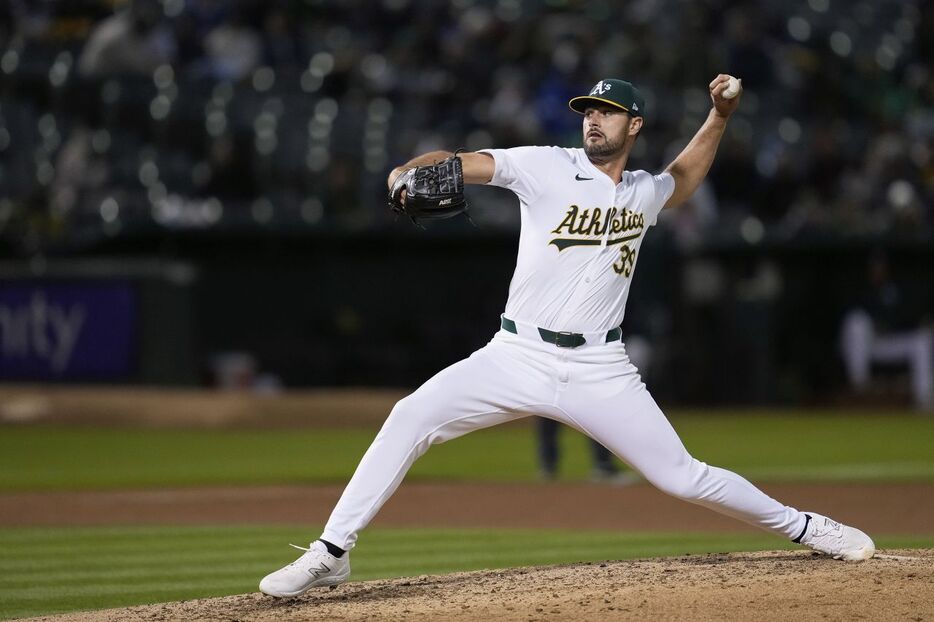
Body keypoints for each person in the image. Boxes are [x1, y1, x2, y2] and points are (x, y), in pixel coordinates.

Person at [259, 75, 875, 598]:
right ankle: (332, 550)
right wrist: (404, 170)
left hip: (601, 368)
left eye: (607, 112)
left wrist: (719, 115)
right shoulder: (544, 165)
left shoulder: (641, 193)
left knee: (683, 477)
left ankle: (805, 526)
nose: (594, 121)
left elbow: (683, 179)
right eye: (588, 111)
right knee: (410, 415)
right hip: (515, 353)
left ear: (633, 125)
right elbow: (464, 162)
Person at [840, 251, 933, 410]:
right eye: (874, 267)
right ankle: (860, 385)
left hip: (887, 343)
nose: (877, 271)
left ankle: (924, 399)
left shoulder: (897, 288)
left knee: (922, 340)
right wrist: (875, 324)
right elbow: (848, 318)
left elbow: (907, 316)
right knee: (857, 323)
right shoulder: (860, 289)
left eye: (880, 267)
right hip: (863, 344)